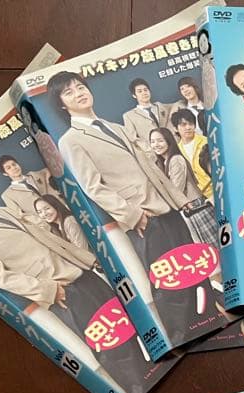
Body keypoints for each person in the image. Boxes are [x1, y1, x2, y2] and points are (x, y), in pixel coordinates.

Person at [0, 172, 152, 393]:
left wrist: (87, 260)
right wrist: (49, 290)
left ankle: (154, 371)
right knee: (111, 346)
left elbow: (46, 237)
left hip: (80, 272)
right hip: (61, 289)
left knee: (127, 324)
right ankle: (142, 391)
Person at [48, 71, 198, 338]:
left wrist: (177, 200)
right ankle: (184, 337)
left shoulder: (115, 126)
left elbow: (150, 168)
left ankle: (206, 320)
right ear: (62, 105)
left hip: (166, 208)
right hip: (144, 218)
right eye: (68, 92)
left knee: (193, 270)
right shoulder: (70, 140)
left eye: (80, 87)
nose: (79, 93)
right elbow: (93, 187)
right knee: (171, 285)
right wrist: (133, 215)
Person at [148, 127, 221, 254]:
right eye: (152, 141)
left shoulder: (176, 159)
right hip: (192, 210)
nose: (156, 145)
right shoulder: (165, 162)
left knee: (215, 248)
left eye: (160, 141)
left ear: (168, 141)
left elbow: (176, 189)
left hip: (197, 208)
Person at [0, 155, 61, 223]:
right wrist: (41, 222)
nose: (14, 168)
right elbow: (19, 215)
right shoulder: (8, 195)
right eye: (8, 168)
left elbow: (50, 169)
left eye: (14, 164)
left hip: (61, 210)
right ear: (5, 173)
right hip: (46, 223)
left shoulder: (34, 175)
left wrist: (47, 180)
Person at [122, 77, 176, 152]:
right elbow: (133, 139)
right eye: (139, 91)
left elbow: (178, 105)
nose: (144, 93)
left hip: (173, 147)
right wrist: (150, 150)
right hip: (153, 153)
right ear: (134, 95)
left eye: (145, 90)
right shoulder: (129, 116)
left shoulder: (160, 106)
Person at [171, 109, 212, 199]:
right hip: (197, 197)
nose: (188, 127)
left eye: (191, 124)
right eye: (183, 125)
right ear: (175, 128)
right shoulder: (177, 151)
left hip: (214, 191)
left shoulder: (207, 142)